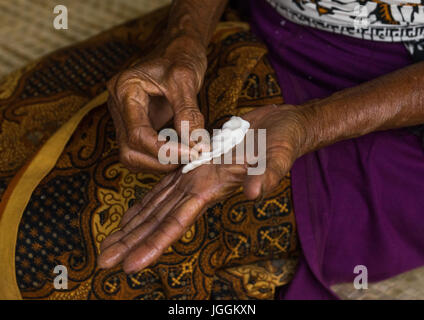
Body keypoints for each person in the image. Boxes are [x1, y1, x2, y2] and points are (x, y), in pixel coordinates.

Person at [97, 0, 424, 299]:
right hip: (254, 23)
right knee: (92, 142)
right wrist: (184, 38)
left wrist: (310, 124)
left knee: (160, 258)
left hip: (396, 101)